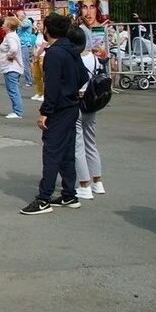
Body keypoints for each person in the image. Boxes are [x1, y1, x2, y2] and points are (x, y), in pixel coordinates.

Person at [21, 13, 84, 215]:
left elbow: (52, 87)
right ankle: (68, 193)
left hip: (59, 108)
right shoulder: (71, 49)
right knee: (67, 151)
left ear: (47, 29)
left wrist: (45, 112)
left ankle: (44, 198)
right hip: (72, 105)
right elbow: (83, 75)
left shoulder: (54, 53)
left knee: (52, 152)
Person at [69, 27, 106, 200]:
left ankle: (84, 184)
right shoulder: (95, 58)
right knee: (91, 142)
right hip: (92, 102)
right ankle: (97, 181)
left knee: (77, 144)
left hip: (77, 101)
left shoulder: (73, 59)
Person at [0, 17, 24, 119]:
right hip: (12, 67)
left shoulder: (10, 37)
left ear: (9, 26)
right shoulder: (11, 36)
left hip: (11, 67)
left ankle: (17, 111)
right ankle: (17, 110)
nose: (2, 25)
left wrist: (9, 56)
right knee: (13, 89)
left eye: (4, 24)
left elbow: (13, 49)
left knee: (12, 89)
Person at [19, 14, 37, 89]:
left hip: (25, 45)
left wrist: (16, 19)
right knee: (22, 63)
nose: (17, 16)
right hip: (20, 45)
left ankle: (29, 81)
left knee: (26, 64)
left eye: (18, 15)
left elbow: (23, 25)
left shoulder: (27, 21)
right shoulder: (19, 23)